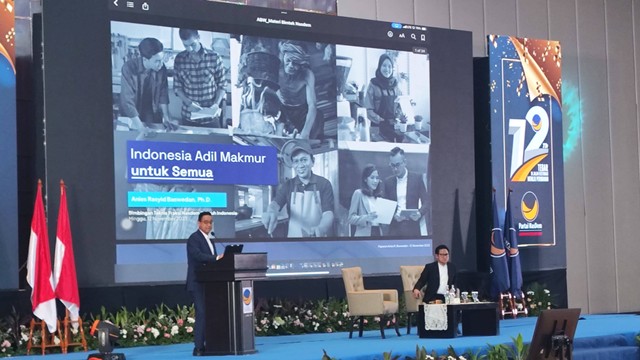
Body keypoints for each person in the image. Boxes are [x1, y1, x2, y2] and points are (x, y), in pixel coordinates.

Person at [262, 141, 334, 237]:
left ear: (313, 161)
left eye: (304, 160)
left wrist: (321, 229)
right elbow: (276, 204)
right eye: (296, 161)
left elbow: (328, 213)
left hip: (317, 239)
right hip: (294, 240)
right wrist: (271, 212)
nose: (300, 165)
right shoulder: (288, 185)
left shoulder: (324, 184)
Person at [119, 37, 176, 131]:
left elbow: (163, 94)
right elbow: (127, 101)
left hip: (151, 111)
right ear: (145, 59)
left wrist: (166, 117)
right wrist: (140, 127)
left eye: (161, 60)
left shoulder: (161, 68)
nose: (161, 64)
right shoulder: (128, 68)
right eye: (157, 61)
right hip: (131, 114)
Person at [186, 211, 223, 356]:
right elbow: (198, 256)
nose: (209, 225)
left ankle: (211, 344)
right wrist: (216, 258)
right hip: (197, 282)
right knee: (201, 313)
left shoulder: (211, 239)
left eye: (210, 222)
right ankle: (198, 347)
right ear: (199, 223)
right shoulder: (194, 238)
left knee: (210, 314)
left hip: (209, 283)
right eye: (206, 222)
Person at [174, 29, 227, 127]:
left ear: (198, 38)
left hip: (211, 117)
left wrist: (216, 104)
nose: (190, 49)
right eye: (186, 46)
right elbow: (177, 88)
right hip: (188, 116)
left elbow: (222, 85)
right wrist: (189, 103)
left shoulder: (214, 57)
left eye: (192, 45)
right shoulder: (179, 59)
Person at [276, 41, 323, 139]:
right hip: (282, 111)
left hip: (301, 111)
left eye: (296, 63)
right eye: (288, 60)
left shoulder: (307, 74)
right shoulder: (277, 70)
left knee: (318, 116)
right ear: (284, 56)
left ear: (302, 64)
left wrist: (305, 132)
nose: (291, 65)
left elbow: (312, 105)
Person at [383, 147, 429, 237]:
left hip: (413, 227)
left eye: (397, 165)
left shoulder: (417, 178)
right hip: (394, 229)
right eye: (392, 165)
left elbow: (427, 202)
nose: (395, 169)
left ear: (404, 162)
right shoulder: (388, 182)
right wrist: (394, 216)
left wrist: (419, 213)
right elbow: (386, 205)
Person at [364, 53, 403, 142]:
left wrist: (398, 115)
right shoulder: (373, 84)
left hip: (393, 126)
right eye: (384, 65)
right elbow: (368, 109)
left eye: (389, 66)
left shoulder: (395, 85)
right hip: (377, 127)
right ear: (379, 67)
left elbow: (400, 105)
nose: (387, 69)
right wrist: (380, 120)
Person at [348, 164, 385, 236]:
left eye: (377, 178)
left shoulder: (379, 196)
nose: (375, 181)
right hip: (364, 234)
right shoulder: (358, 193)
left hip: (378, 233)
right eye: (372, 178)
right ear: (365, 179)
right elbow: (350, 218)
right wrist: (366, 218)